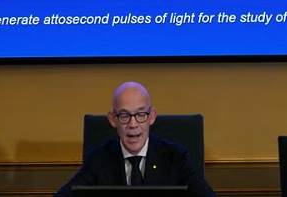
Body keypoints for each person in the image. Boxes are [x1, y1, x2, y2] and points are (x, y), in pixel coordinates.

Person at [55, 81, 215, 197]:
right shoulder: (98, 160)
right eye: (124, 116)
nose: (133, 124)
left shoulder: (175, 158)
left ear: (151, 117)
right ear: (112, 119)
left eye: (140, 115)